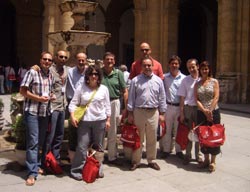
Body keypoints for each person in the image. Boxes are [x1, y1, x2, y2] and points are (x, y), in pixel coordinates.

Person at [69, 65, 111, 180]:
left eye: (96, 74)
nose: (93, 76)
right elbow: (73, 103)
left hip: (100, 121)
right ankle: (77, 169)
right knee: (82, 146)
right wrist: (72, 116)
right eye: (91, 73)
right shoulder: (81, 88)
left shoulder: (104, 89)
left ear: (99, 76)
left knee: (99, 147)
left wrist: (108, 120)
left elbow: (107, 106)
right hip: (85, 122)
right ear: (87, 75)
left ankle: (98, 168)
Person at [20, 51, 54, 186]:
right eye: (45, 59)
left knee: (40, 141)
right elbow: (23, 90)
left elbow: (47, 91)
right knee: (33, 142)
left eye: (49, 60)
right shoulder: (32, 72)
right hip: (32, 112)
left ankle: (37, 165)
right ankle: (31, 173)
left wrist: (51, 96)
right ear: (40, 60)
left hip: (44, 113)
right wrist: (38, 98)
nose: (47, 61)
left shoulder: (50, 75)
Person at [127, 57, 166, 171]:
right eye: (145, 65)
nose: (147, 67)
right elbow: (131, 98)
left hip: (153, 112)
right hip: (139, 111)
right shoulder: (135, 80)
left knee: (152, 137)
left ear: (153, 66)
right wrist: (130, 113)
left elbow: (162, 97)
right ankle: (136, 161)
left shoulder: (158, 81)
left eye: (149, 65)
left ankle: (151, 160)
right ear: (142, 67)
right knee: (138, 136)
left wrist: (162, 113)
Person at [101, 52, 128, 165]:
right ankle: (99, 156)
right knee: (100, 131)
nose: (109, 61)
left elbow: (125, 91)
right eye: (107, 59)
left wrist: (125, 108)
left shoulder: (119, 73)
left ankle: (112, 156)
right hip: (100, 104)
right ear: (103, 61)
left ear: (114, 61)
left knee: (112, 131)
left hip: (114, 102)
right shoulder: (98, 72)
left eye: (112, 59)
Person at [194, 61, 221, 172]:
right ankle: (206, 159)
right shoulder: (197, 84)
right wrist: (204, 111)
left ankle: (213, 161)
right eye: (202, 69)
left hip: (213, 112)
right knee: (203, 136)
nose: (204, 71)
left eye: (206, 69)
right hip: (201, 112)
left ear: (209, 70)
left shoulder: (214, 82)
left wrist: (210, 111)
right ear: (199, 70)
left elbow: (216, 97)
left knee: (214, 135)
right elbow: (196, 99)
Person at [160, 55, 186, 159]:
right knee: (168, 129)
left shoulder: (184, 78)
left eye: (176, 63)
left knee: (178, 129)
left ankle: (178, 150)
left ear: (179, 65)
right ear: (169, 64)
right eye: (172, 63)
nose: (174, 65)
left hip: (179, 107)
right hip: (168, 106)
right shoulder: (164, 77)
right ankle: (166, 150)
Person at [45, 50, 69, 164]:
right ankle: (45, 159)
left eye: (65, 57)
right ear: (56, 57)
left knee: (60, 134)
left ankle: (56, 158)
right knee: (50, 134)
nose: (63, 59)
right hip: (52, 107)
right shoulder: (50, 70)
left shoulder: (67, 70)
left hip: (62, 106)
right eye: (61, 57)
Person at [177, 58, 202, 164]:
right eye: (189, 67)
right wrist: (181, 113)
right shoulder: (185, 80)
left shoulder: (203, 79)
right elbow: (182, 98)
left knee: (199, 132)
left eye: (193, 66)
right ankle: (187, 154)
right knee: (188, 132)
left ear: (198, 66)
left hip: (199, 109)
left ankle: (199, 156)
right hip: (188, 108)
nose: (191, 69)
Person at [66, 52, 89, 153]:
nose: (81, 62)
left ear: (86, 60)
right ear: (75, 61)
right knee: (73, 129)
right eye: (79, 60)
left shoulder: (90, 71)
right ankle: (72, 153)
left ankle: (84, 153)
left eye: (83, 60)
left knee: (86, 128)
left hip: (86, 103)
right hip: (73, 103)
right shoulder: (69, 71)